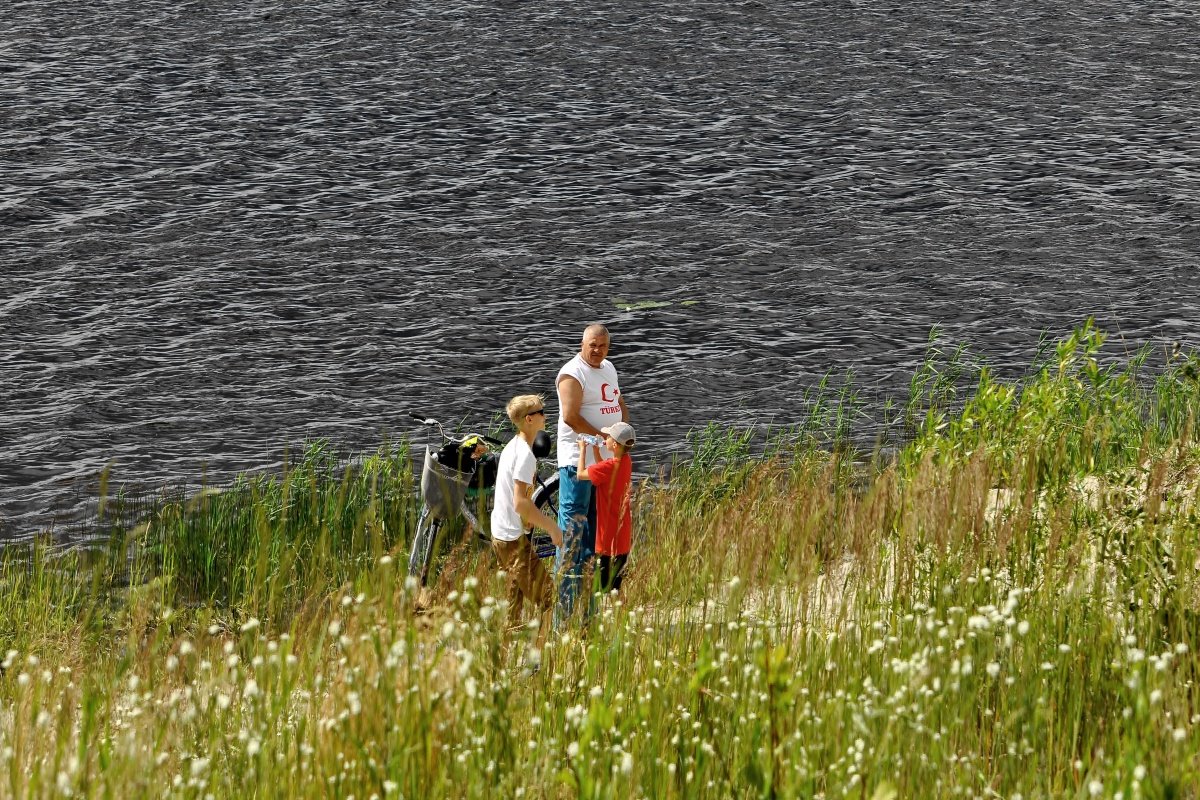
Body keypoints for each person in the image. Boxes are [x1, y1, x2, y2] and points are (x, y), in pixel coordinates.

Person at [555, 323, 629, 625]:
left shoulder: (608, 368)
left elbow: (617, 401)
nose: (597, 350)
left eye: (602, 345)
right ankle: (564, 615)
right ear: (582, 344)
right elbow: (571, 417)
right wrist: (602, 436)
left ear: (608, 348)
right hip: (578, 462)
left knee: (598, 535)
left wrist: (622, 433)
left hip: (604, 461)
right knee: (573, 534)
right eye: (592, 345)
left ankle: (589, 610)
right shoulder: (573, 373)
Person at [491, 394, 563, 655]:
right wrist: (551, 527)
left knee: (514, 600)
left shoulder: (512, 447)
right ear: (529, 420)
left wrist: (526, 524)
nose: (546, 414)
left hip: (501, 535)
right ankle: (538, 659)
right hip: (512, 541)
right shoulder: (525, 456)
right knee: (548, 599)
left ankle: (502, 656)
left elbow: (513, 500)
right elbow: (521, 502)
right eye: (542, 411)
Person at [575, 421, 636, 601]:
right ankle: (619, 616)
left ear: (615, 445)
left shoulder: (608, 467)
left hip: (607, 537)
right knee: (616, 586)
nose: (605, 439)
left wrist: (582, 450)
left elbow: (580, 474)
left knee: (603, 587)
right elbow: (606, 472)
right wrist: (596, 452)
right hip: (622, 535)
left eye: (608, 437)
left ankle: (605, 620)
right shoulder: (625, 461)